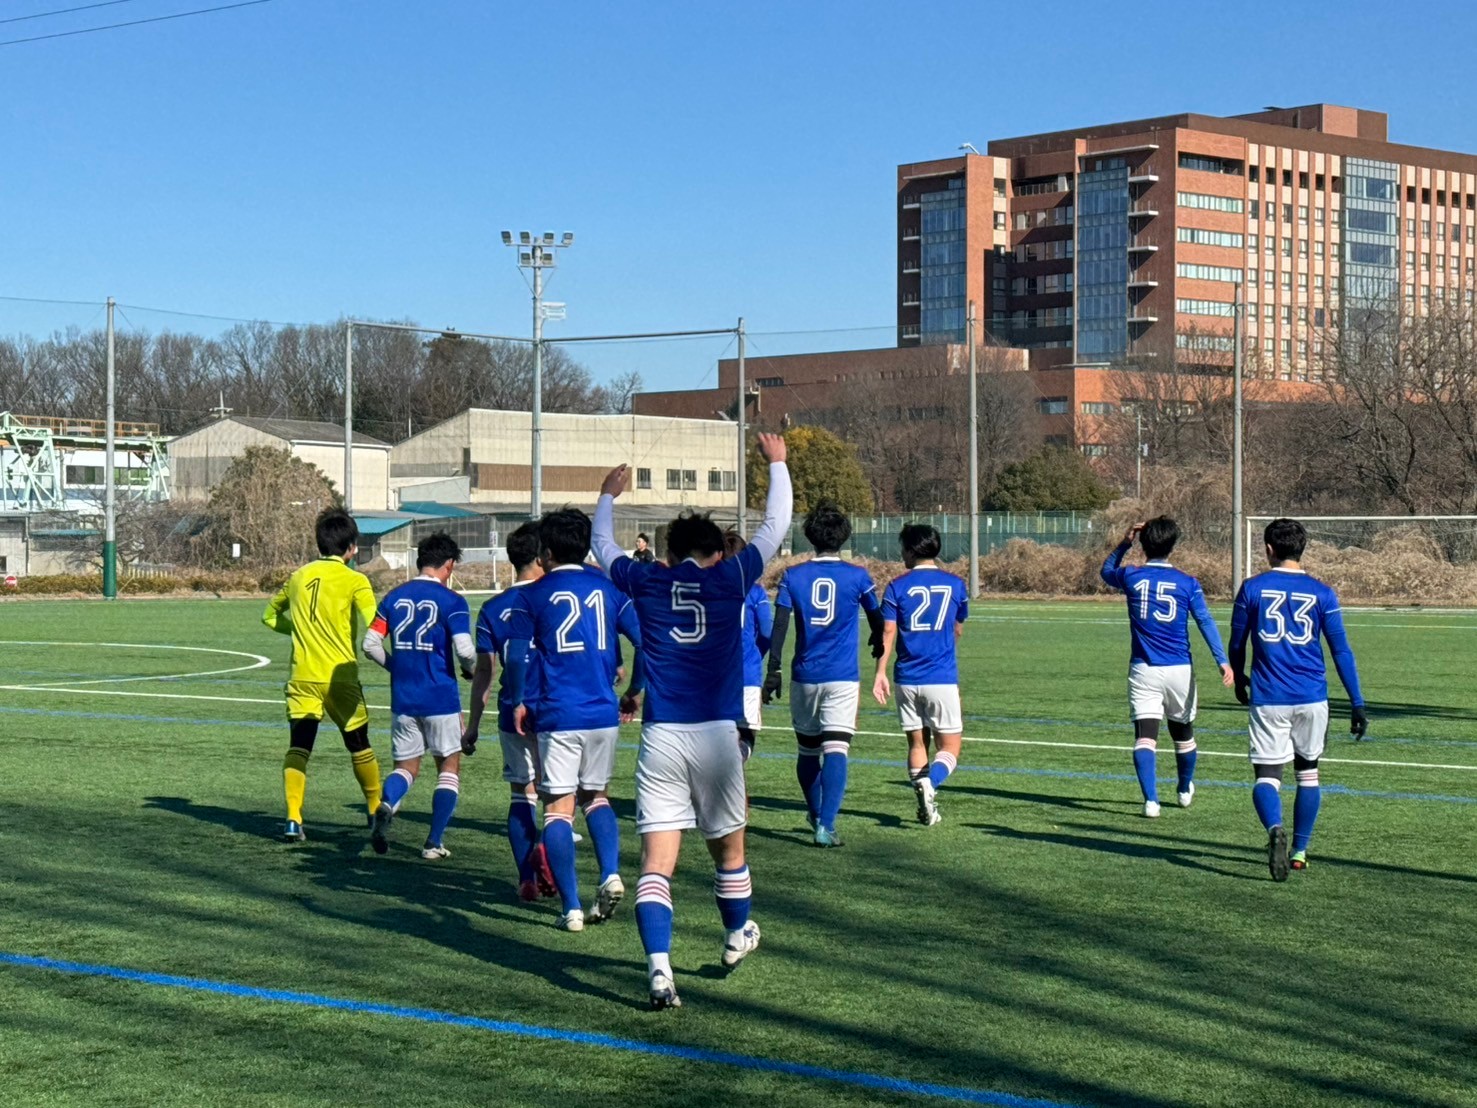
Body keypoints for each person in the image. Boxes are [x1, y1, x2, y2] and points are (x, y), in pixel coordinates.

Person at [591, 433, 792, 1009]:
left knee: (657, 866)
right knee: (729, 853)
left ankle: (659, 970)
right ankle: (735, 934)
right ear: (716, 553)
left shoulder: (647, 579)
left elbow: (602, 545)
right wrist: (777, 465)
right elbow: (775, 526)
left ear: (668, 552)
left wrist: (607, 495)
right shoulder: (731, 578)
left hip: (661, 736)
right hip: (717, 735)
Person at [506, 508, 645, 932]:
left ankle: (571, 907)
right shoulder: (609, 588)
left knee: (557, 809)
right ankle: (610, 873)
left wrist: (518, 700)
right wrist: (634, 691)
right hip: (602, 712)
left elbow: (516, 656)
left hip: (558, 713)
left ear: (546, 553)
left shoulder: (532, 594)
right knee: (596, 797)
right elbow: (645, 641)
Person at [1229, 518, 1367, 880]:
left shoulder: (1252, 588)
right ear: (1302, 548)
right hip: (1312, 697)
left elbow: (1237, 642)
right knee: (1308, 774)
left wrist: (1239, 678)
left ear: (1268, 549)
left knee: (1267, 776)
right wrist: (1356, 701)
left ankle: (1275, 828)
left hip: (1269, 697)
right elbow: (1341, 651)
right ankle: (1300, 851)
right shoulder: (1323, 593)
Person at [763, 501, 882, 847]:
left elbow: (780, 625)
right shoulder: (858, 576)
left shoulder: (793, 575)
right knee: (837, 749)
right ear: (844, 537)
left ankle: (815, 813)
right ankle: (826, 826)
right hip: (842, 675)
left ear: (810, 537)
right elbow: (875, 615)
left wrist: (774, 669)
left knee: (807, 751)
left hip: (805, 674)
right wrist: (877, 637)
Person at [261, 508, 382, 842]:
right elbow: (375, 622)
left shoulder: (298, 576)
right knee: (359, 744)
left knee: (299, 746)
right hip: (341, 676)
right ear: (352, 547)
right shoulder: (356, 580)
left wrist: (299, 629)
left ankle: (293, 818)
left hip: (303, 676)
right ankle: (375, 809)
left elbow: (268, 617)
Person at [1100, 517, 1233, 818]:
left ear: (1143, 544)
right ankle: (1184, 788)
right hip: (1179, 670)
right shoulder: (1188, 582)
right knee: (1183, 735)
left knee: (1145, 737)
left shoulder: (1131, 576)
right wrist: (1221, 660)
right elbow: (1204, 620)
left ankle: (1151, 801)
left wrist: (1124, 543)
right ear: (1173, 546)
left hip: (1144, 669)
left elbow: (1106, 572)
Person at [362, 533, 475, 859]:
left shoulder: (394, 597)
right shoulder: (452, 601)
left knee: (406, 767)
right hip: (440, 698)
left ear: (419, 560)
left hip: (404, 699)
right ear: (449, 564)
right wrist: (470, 670)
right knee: (449, 768)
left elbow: (369, 644)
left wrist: (396, 668)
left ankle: (387, 804)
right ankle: (433, 842)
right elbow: (465, 650)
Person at [465, 522, 555, 902]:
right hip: (554, 708)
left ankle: (526, 878)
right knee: (559, 797)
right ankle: (548, 852)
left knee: (521, 794)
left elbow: (485, 672)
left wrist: (472, 726)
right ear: (541, 557)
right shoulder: (555, 597)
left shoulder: (491, 608)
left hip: (510, 711)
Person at [871, 523, 968, 827]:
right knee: (950, 747)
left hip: (907, 678)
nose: (901, 554)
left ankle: (926, 803)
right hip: (941, 676)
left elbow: (887, 631)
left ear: (912, 550)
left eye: (903, 548)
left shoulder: (896, 586)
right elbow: (958, 627)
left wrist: (880, 672)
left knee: (916, 744)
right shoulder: (956, 584)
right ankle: (931, 784)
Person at [724, 530, 773, 764]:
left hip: (714, 675)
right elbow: (766, 632)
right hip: (747, 673)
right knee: (745, 735)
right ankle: (734, 770)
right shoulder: (755, 592)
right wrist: (756, 655)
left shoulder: (707, 589)